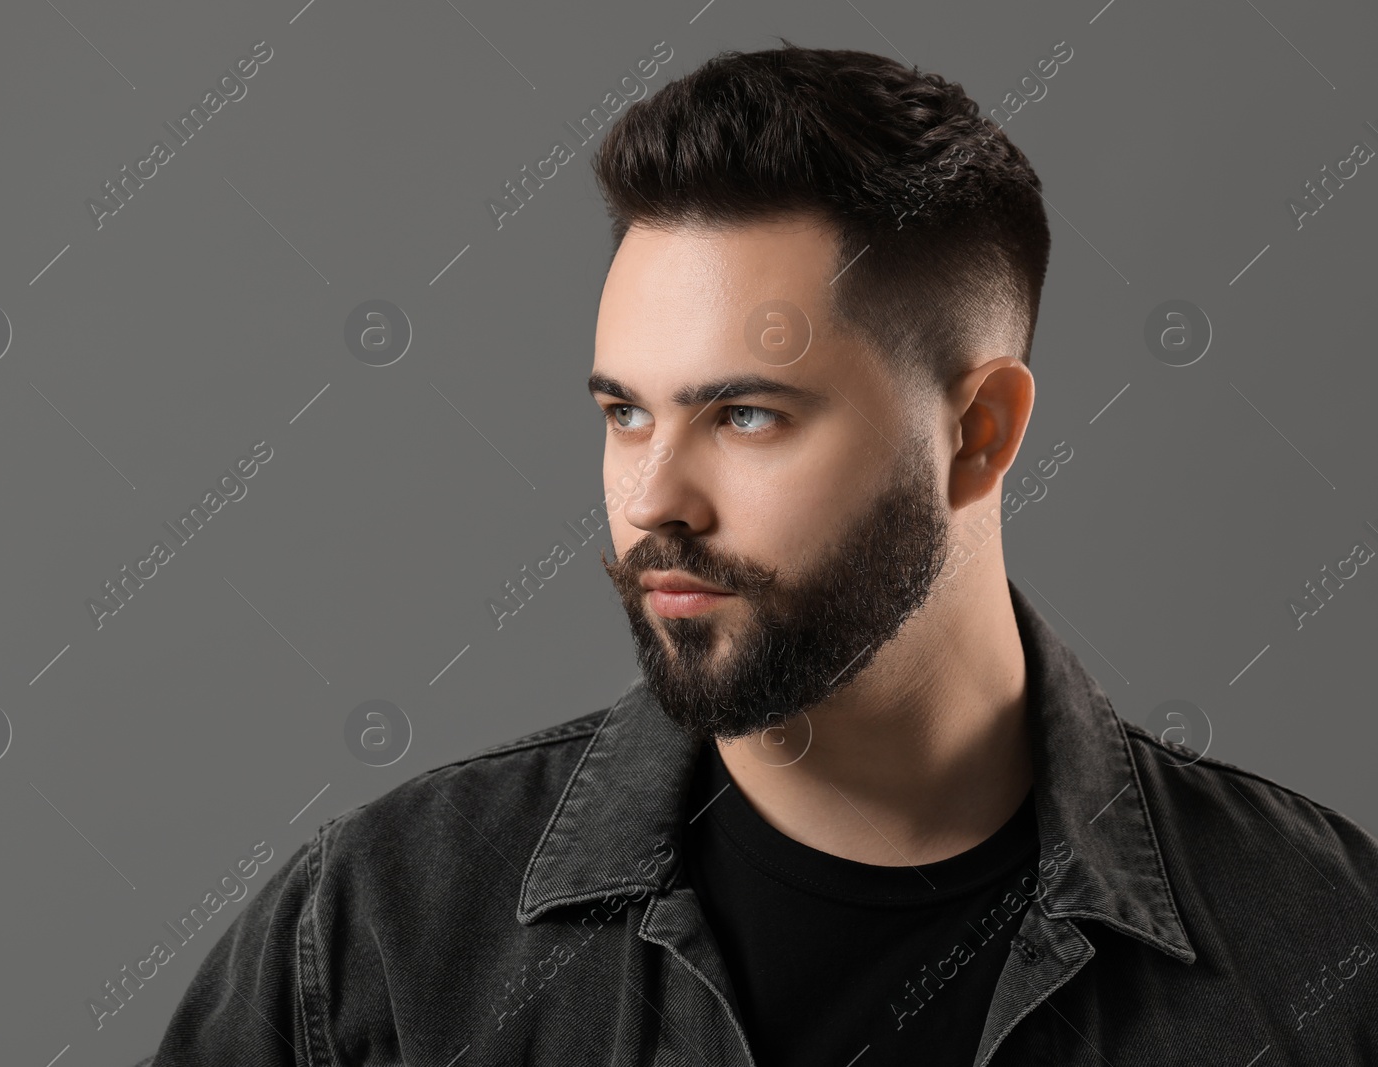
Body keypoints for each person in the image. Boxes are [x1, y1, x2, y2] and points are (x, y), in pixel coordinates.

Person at [140, 42, 1378, 1065]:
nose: (653, 500)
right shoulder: (383, 940)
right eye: (624, 411)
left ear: (978, 433)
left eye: (744, 415)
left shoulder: (1322, 947)